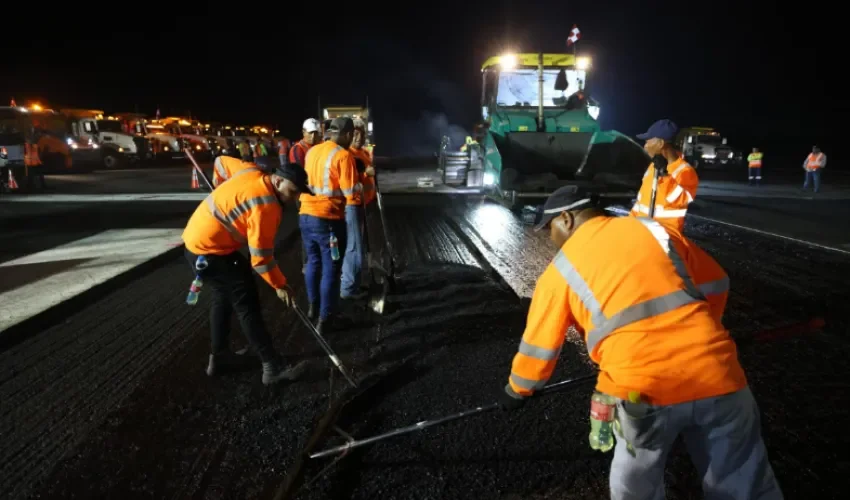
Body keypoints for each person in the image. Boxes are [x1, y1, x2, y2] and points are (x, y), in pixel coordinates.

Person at [499, 187, 783, 500]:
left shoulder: (560, 272)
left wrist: (518, 390)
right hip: (719, 374)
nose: (549, 239)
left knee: (637, 486)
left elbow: (539, 347)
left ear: (566, 218)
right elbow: (717, 281)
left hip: (642, 390)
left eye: (548, 229)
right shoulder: (653, 230)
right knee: (741, 479)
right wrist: (705, 332)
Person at [182, 161, 314, 385]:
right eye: (292, 192)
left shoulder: (251, 170)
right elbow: (261, 260)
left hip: (195, 245)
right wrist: (280, 285)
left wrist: (221, 185)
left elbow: (221, 162)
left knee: (222, 297)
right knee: (247, 302)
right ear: (278, 180)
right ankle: (273, 367)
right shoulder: (266, 206)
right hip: (212, 251)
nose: (294, 200)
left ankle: (220, 357)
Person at [299, 116, 359, 333]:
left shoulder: (312, 151)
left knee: (314, 263)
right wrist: (358, 196)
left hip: (306, 216)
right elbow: (351, 193)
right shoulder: (343, 156)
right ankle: (326, 319)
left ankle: (313, 307)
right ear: (348, 135)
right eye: (352, 135)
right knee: (332, 269)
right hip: (329, 220)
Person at [629, 119, 699, 233]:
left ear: (660, 143)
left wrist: (664, 175)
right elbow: (641, 203)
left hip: (666, 236)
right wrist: (629, 223)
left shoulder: (685, 171)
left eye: (648, 141)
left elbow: (679, 200)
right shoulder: (653, 166)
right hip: (641, 231)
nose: (645, 146)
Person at [340, 119, 376, 299]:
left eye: (361, 133)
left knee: (359, 245)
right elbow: (349, 180)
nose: (359, 137)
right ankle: (348, 288)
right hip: (352, 205)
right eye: (355, 133)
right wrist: (365, 174)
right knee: (353, 247)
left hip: (364, 204)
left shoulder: (363, 153)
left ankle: (355, 282)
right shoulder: (348, 154)